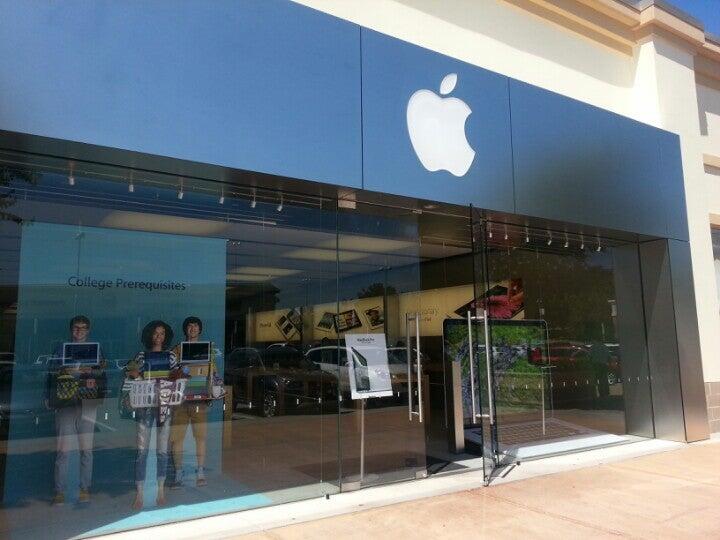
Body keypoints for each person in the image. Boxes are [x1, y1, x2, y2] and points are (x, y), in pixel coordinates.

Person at [45, 315, 107, 506]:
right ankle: (60, 491)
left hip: (88, 400)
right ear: (71, 329)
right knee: (63, 449)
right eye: (76, 327)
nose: (79, 331)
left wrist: (92, 371)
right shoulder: (60, 349)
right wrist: (48, 395)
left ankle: (84, 488)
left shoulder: (96, 349)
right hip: (65, 400)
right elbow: (51, 372)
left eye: (83, 328)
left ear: (88, 330)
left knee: (86, 449)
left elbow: (102, 372)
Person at [123, 320, 179, 510]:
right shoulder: (141, 355)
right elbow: (131, 376)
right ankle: (139, 492)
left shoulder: (171, 356)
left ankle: (160, 489)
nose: (158, 337)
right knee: (142, 450)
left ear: (166, 336)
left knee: (162, 449)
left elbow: (177, 377)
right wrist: (135, 375)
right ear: (149, 335)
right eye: (155, 333)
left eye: (162, 333)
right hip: (144, 406)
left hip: (164, 405)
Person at [169, 316, 220, 488]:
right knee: (177, 438)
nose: (192, 329)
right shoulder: (177, 349)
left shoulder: (207, 349)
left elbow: (213, 373)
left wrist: (214, 391)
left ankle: (200, 472)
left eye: (196, 326)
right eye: (189, 326)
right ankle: (178, 473)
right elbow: (170, 371)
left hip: (200, 399)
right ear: (185, 329)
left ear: (200, 329)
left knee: (200, 437)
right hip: (180, 399)